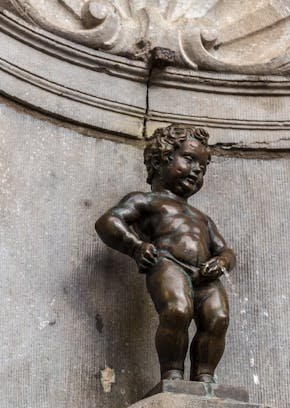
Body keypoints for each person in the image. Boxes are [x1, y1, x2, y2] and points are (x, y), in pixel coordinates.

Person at [95, 124, 236, 383]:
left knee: (218, 318)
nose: (196, 171)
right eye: (190, 159)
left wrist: (221, 261)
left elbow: (225, 249)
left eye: (202, 168)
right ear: (162, 159)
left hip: (205, 275)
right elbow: (109, 221)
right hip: (168, 264)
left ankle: (205, 377)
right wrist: (136, 247)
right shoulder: (147, 201)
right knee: (177, 310)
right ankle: (172, 374)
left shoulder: (202, 218)